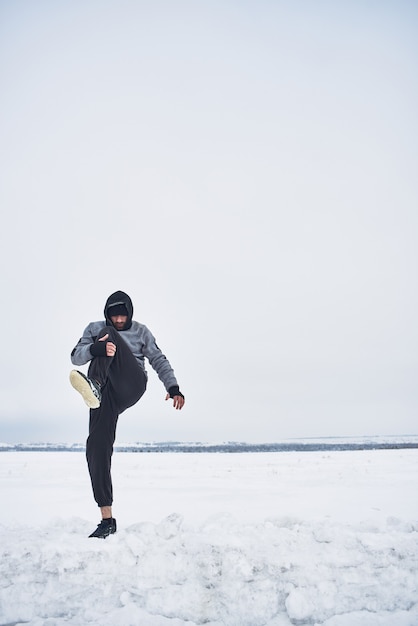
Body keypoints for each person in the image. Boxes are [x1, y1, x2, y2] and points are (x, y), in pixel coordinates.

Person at [70, 290, 185, 538]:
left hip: (131, 382)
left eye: (123, 316)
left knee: (108, 336)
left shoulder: (140, 331)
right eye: (114, 316)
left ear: (130, 314)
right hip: (105, 395)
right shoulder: (94, 327)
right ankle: (107, 519)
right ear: (107, 314)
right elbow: (76, 357)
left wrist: (172, 387)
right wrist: (96, 350)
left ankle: (95, 384)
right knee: (96, 447)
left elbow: (158, 359)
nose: (119, 320)